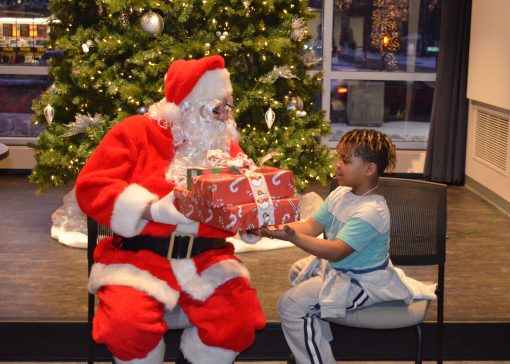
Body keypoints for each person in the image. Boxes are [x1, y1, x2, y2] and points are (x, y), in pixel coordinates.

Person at [76, 55, 265, 364]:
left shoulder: (226, 146)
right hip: (139, 259)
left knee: (238, 321)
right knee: (126, 327)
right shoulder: (136, 133)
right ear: (186, 106)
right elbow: (91, 188)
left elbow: (239, 200)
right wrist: (151, 209)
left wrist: (250, 220)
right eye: (215, 108)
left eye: (227, 107)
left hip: (207, 259)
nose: (224, 116)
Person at [258, 129, 436, 364]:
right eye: (339, 157)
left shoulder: (372, 210)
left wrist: (292, 237)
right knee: (297, 270)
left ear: (369, 169)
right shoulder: (340, 193)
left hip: (362, 282)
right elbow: (311, 226)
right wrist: (278, 231)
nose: (337, 164)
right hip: (342, 270)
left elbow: (336, 250)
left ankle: (316, 357)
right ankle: (319, 344)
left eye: (346, 160)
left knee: (289, 305)